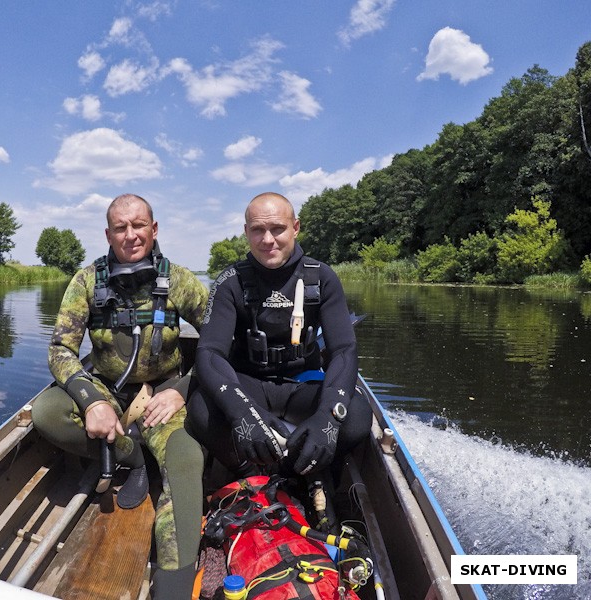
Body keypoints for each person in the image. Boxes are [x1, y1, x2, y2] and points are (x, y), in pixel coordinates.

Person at [32, 194, 209, 599]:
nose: (131, 235)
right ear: (108, 234)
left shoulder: (179, 280)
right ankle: (133, 454)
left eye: (139, 225)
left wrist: (181, 391)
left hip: (166, 399)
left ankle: (173, 589)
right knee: (47, 413)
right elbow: (60, 349)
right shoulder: (86, 280)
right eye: (120, 228)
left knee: (185, 463)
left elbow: (217, 346)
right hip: (107, 393)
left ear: (154, 229)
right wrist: (91, 400)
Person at [187, 192, 371, 491]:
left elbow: (344, 350)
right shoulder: (229, 282)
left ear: (295, 227)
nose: (267, 239)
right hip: (250, 385)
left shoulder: (322, 277)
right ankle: (249, 471)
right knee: (200, 410)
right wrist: (241, 413)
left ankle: (292, 472)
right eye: (257, 230)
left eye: (278, 229)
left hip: (304, 386)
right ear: (246, 232)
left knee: (358, 416)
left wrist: (328, 417)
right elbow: (209, 353)